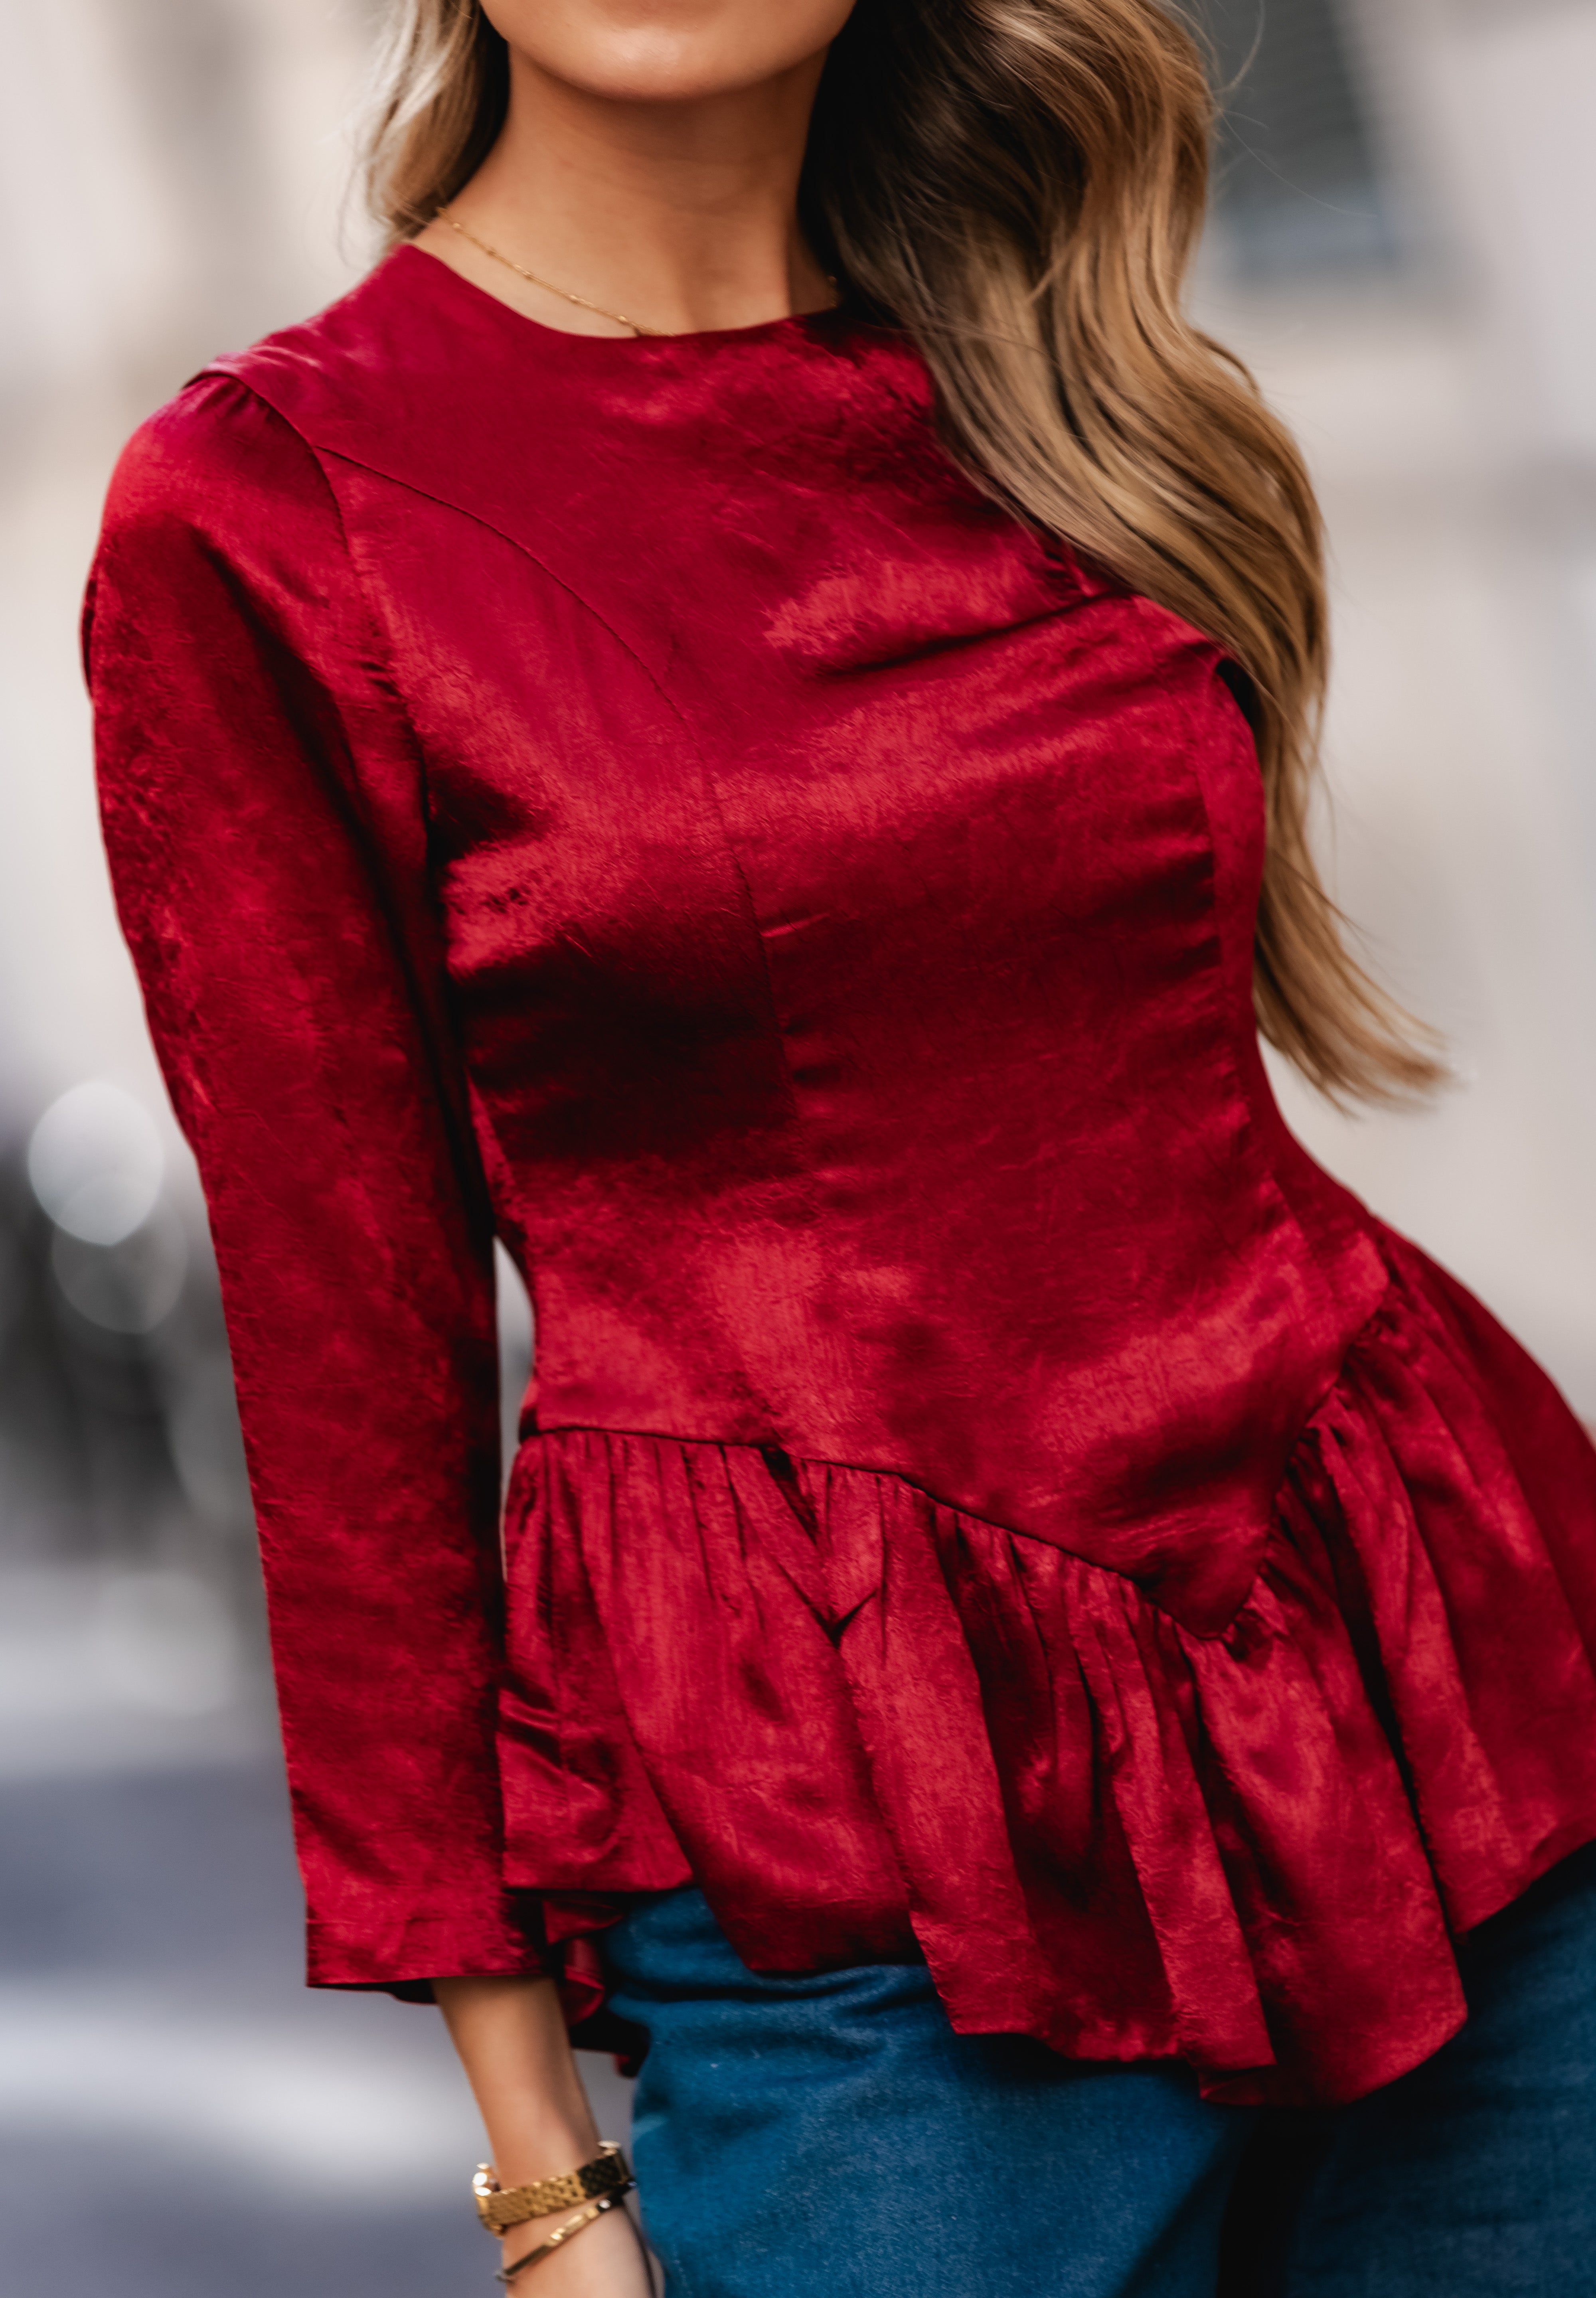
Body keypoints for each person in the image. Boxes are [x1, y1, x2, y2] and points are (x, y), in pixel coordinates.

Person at [84, 2, 1596, 2292]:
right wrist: (540, 2186)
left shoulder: (1048, 363)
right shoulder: (272, 511)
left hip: (1448, 1739)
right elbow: (346, 1377)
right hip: (865, 1894)